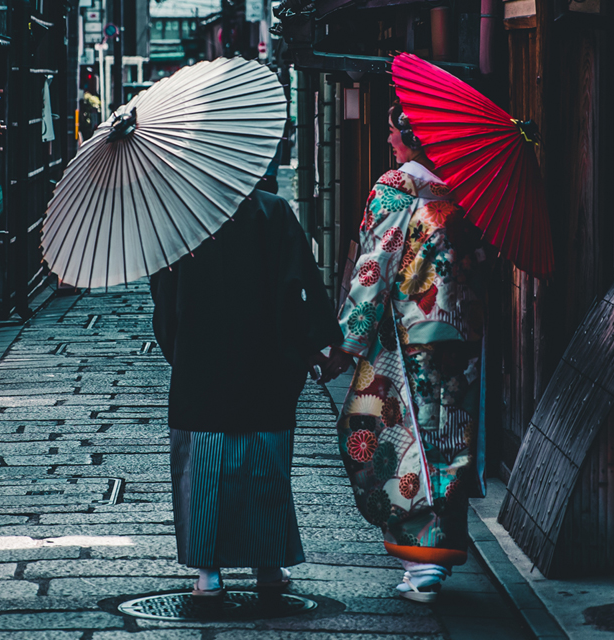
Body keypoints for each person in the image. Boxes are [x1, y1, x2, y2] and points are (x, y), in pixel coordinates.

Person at [320, 101, 485, 602]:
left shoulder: (398, 186)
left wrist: (348, 340)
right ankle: (434, 555)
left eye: (394, 131)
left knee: (387, 429)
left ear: (410, 136)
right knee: (448, 435)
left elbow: (375, 267)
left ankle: (422, 560)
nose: (389, 139)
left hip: (406, 333)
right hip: (459, 330)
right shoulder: (462, 188)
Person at [150, 169, 341, 597]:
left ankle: (208, 575)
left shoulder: (181, 218)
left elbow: (164, 301)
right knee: (265, 467)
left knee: (202, 471)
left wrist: (182, 355)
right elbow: (299, 288)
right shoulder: (272, 211)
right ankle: (268, 568)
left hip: (201, 369)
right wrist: (311, 346)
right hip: (266, 365)